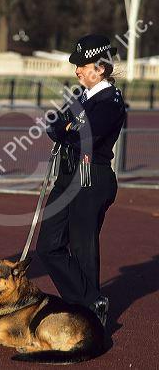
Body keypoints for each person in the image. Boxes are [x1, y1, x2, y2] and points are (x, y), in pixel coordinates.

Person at [36, 34, 126, 327]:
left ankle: (89, 314)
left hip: (91, 178)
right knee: (48, 246)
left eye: (83, 64)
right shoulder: (82, 96)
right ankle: (88, 301)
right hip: (67, 176)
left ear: (100, 68)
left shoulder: (110, 101)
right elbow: (56, 123)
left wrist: (65, 129)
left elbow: (84, 136)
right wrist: (64, 129)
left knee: (83, 248)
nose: (77, 70)